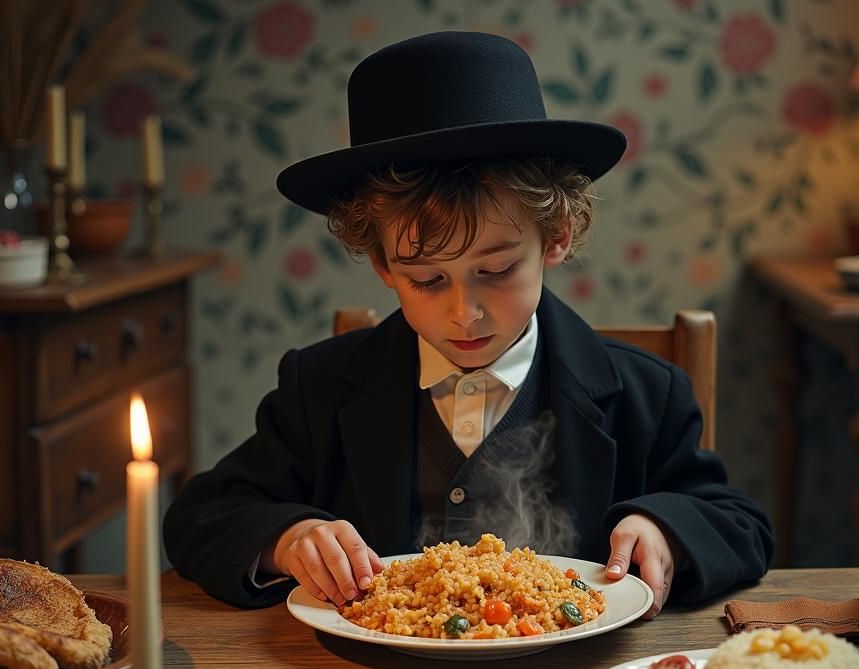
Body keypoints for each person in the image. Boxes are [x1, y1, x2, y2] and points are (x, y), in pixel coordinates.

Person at [164, 31, 774, 619]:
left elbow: (738, 522)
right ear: (383, 264)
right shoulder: (319, 388)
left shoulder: (647, 394)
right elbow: (201, 516)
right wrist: (287, 537)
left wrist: (664, 528)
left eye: (497, 270)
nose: (465, 312)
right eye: (427, 280)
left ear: (556, 237)